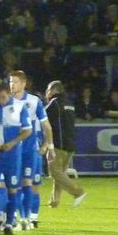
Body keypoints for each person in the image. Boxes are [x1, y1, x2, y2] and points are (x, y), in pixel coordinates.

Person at [9, 71, 55, 230]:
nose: (11, 85)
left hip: (30, 149)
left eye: (14, 81)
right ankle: (14, 216)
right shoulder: (5, 102)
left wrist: (47, 146)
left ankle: (31, 217)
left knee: (30, 184)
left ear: (23, 83)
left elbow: (46, 126)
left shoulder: (34, 101)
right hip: (12, 150)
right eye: (10, 81)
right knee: (13, 185)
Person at [0, 81, 32, 235]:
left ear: (9, 94)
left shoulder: (19, 107)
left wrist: (12, 143)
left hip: (12, 155)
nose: (0, 100)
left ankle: (10, 223)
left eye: (3, 97)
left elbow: (27, 131)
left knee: (12, 189)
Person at [44, 81, 86, 209]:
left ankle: (78, 192)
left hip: (58, 144)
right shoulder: (70, 104)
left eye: (48, 90)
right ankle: (54, 201)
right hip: (70, 144)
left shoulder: (55, 103)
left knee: (55, 172)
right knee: (60, 174)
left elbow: (42, 117)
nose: (47, 92)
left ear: (54, 90)